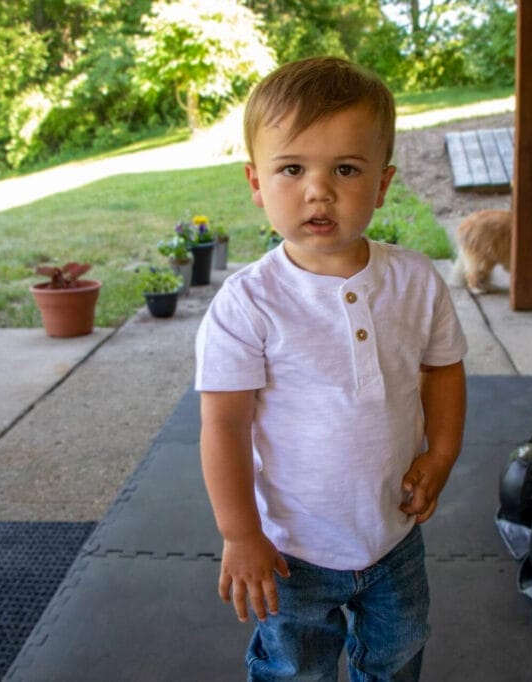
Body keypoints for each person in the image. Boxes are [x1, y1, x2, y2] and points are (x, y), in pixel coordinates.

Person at [194, 56, 468, 680]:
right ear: (256, 183)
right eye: (292, 169)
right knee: (297, 669)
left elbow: (443, 369)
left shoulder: (415, 280)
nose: (319, 190)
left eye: (346, 169)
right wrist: (241, 535)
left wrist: (442, 453)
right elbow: (224, 426)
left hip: (393, 535)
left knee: (398, 657)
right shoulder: (248, 304)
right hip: (290, 550)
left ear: (382, 183)